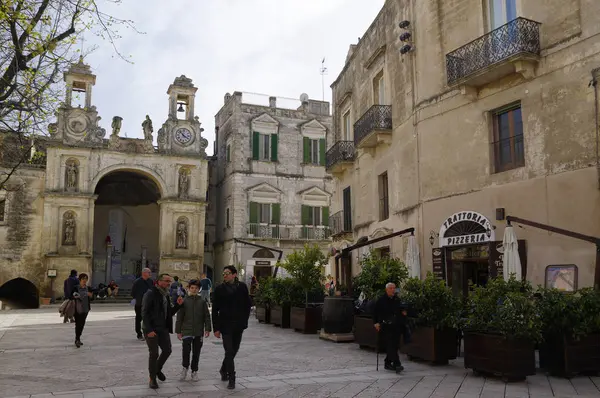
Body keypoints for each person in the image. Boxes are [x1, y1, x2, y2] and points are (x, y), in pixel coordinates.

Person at [212, 266, 252, 390]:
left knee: (234, 350)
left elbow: (247, 305)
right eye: (223, 273)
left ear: (234, 274)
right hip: (225, 325)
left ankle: (223, 369)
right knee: (229, 351)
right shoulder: (219, 289)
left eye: (227, 273)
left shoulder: (242, 287)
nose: (225, 275)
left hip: (238, 324)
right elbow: (214, 310)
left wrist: (245, 320)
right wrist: (216, 328)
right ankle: (231, 378)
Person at [142, 273, 184, 389]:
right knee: (154, 353)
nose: (168, 283)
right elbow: (144, 313)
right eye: (166, 281)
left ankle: (156, 369)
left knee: (167, 350)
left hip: (163, 328)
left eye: (169, 281)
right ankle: (152, 378)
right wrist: (149, 329)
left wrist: (178, 305)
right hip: (151, 328)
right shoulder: (150, 293)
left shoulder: (165, 294)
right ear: (159, 281)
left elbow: (169, 312)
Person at [175, 279, 212, 381]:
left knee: (196, 352)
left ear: (199, 289)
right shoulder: (184, 301)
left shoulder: (202, 302)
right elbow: (179, 317)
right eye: (192, 288)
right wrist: (178, 331)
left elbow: (207, 316)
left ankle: (194, 371)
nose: (194, 290)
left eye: (196, 288)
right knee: (186, 351)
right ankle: (184, 368)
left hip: (198, 332)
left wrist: (207, 329)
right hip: (186, 331)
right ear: (188, 288)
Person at [373, 282, 407, 373]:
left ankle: (387, 362)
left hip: (396, 326)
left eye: (394, 288)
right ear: (387, 290)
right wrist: (376, 323)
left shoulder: (397, 299)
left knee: (394, 345)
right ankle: (397, 364)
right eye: (391, 288)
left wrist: (404, 313)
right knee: (391, 345)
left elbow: (401, 310)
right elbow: (375, 313)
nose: (393, 290)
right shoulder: (381, 300)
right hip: (386, 326)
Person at [71, 273, 93, 348]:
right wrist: (82, 295)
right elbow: (72, 295)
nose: (85, 280)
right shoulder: (76, 287)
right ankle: (77, 339)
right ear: (80, 279)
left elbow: (92, 298)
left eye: (86, 279)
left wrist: (91, 295)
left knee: (82, 324)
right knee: (78, 324)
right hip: (77, 308)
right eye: (83, 279)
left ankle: (78, 338)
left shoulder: (89, 288)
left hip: (86, 308)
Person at [132, 268, 154, 341]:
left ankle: (148, 333)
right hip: (139, 304)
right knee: (139, 319)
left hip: (149, 304)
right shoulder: (137, 282)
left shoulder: (151, 281)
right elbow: (133, 293)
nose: (150, 274)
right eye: (149, 272)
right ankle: (139, 334)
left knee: (149, 318)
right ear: (144, 273)